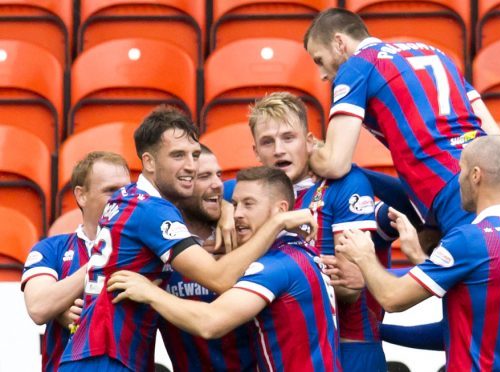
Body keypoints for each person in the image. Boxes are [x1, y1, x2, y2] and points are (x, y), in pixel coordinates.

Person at [303, 8, 500, 368]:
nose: (324, 74)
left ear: (340, 43)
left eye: (320, 59)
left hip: (463, 193)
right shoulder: (433, 53)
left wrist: (313, 155)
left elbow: (336, 162)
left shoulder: (358, 65)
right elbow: (497, 138)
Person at [59, 106, 317, 371]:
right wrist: (275, 223)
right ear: (149, 162)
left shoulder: (126, 199)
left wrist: (226, 208)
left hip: (95, 352)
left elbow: (231, 192)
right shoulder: (153, 210)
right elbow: (219, 278)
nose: (191, 167)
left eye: (194, 155)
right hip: (107, 357)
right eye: (178, 156)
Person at [336, 136, 500, 370]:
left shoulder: (470, 239)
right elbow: (468, 324)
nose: (458, 180)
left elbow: (392, 299)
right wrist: (420, 261)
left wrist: (365, 256)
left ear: (475, 175)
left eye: (460, 171)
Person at [108, 166, 341, 372]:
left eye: (249, 204)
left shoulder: (276, 265)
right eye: (236, 204)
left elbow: (210, 322)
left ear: (281, 210)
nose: (238, 213)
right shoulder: (299, 251)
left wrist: (150, 292)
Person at [243, 91, 393, 371]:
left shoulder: (344, 184)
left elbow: (350, 287)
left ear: (309, 142)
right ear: (256, 153)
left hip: (351, 351)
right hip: (285, 352)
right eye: (267, 142)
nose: (278, 149)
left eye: (289, 138)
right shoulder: (249, 199)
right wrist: (225, 210)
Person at [21, 151, 130, 372]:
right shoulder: (51, 249)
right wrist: (100, 261)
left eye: (127, 189)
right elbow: (39, 308)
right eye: (111, 191)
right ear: (81, 196)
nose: (123, 198)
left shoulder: (144, 249)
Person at [160, 145, 255, 371]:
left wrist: (228, 207)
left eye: (219, 174)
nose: (217, 184)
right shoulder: (159, 241)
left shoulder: (246, 226)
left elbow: (273, 191)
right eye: (204, 176)